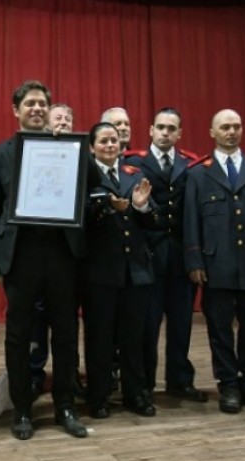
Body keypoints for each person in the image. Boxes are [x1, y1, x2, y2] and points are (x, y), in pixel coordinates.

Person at [0, 80, 97, 440]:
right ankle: (22, 408)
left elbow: (94, 182)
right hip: (21, 256)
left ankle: (65, 406)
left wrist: (76, 148)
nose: (36, 108)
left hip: (63, 254)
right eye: (29, 103)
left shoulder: (68, 147)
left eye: (41, 104)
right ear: (16, 110)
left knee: (65, 332)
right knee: (19, 335)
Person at [184, 109, 245, 414]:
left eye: (236, 126)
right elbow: (191, 221)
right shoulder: (198, 173)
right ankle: (227, 383)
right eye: (225, 127)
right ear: (212, 132)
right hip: (216, 264)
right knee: (220, 329)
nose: (231, 132)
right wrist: (194, 261)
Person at [124, 107, 208, 403]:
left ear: (179, 133)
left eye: (172, 128)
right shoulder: (134, 163)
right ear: (150, 130)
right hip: (147, 255)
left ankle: (180, 380)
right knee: (147, 325)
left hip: (181, 257)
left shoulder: (190, 164)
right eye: (160, 127)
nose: (165, 133)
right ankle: (144, 383)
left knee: (181, 323)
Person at [82, 122, 157, 419]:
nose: (110, 145)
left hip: (134, 271)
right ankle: (99, 397)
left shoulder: (134, 174)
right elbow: (79, 219)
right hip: (99, 271)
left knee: (133, 339)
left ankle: (135, 394)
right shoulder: (86, 176)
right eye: (103, 141)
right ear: (92, 147)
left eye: (114, 140)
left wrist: (141, 207)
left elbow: (153, 221)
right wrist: (106, 208)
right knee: (99, 339)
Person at [30, 102, 80, 398]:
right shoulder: (35, 150)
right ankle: (35, 372)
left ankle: (69, 375)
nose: (63, 122)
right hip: (37, 249)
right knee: (37, 319)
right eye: (58, 117)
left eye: (68, 118)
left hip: (69, 251)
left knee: (67, 321)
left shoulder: (82, 153)